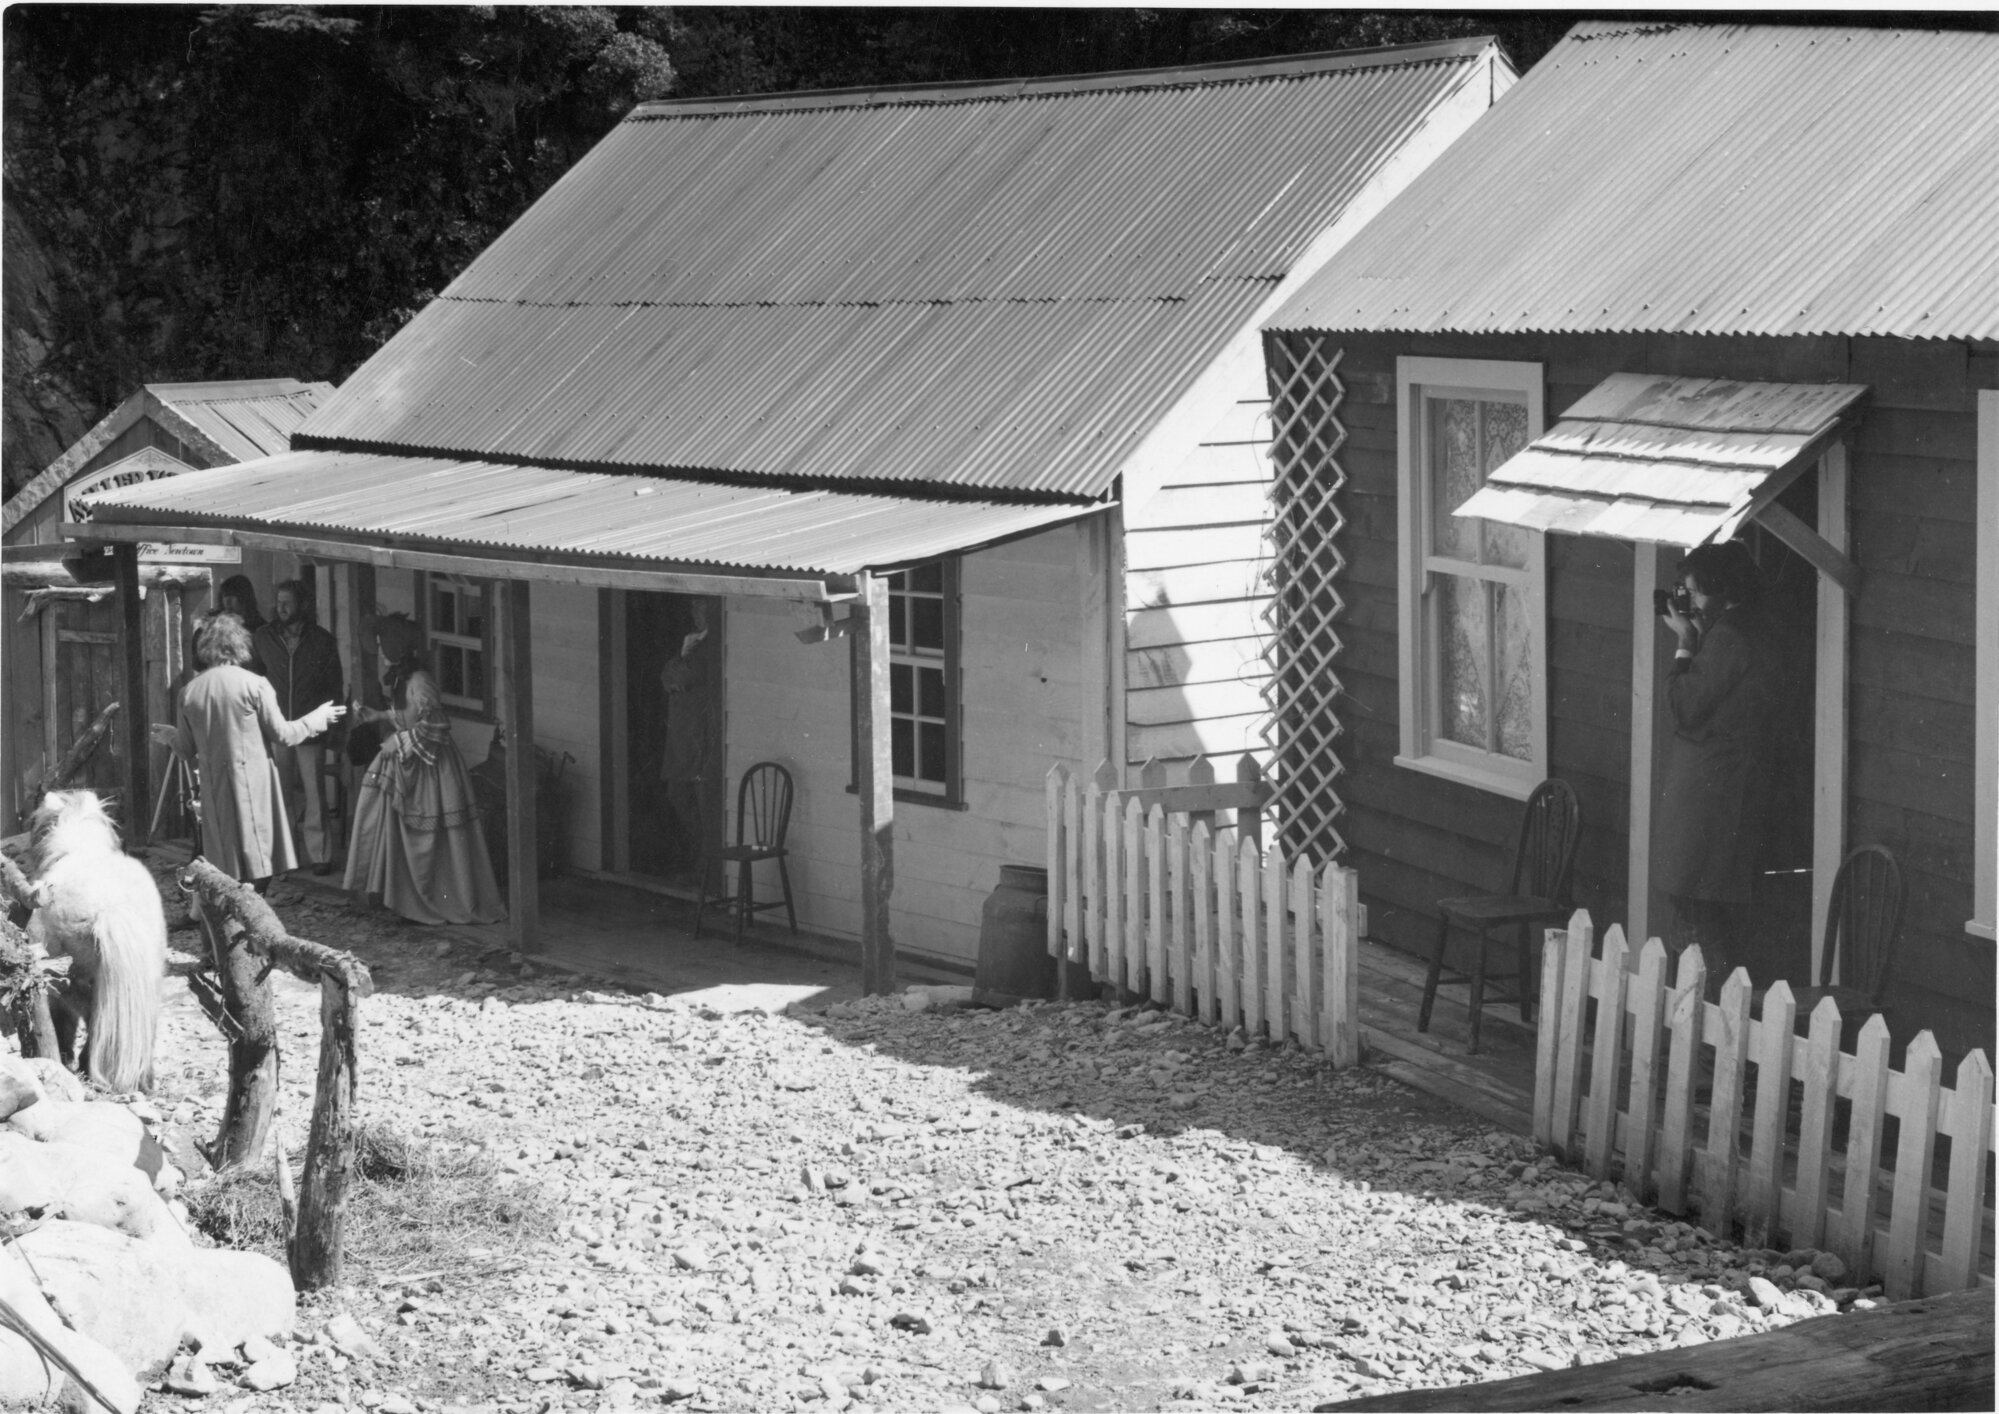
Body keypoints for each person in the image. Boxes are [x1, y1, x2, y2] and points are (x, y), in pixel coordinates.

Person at [1653, 540, 1778, 989]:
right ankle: (1715, 1046)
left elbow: (1685, 707)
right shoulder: (1745, 627)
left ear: (1722, 589)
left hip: (1712, 799)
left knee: (1694, 924)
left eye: (1696, 594)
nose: (1692, 605)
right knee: (1706, 917)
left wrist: (1686, 644)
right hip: (1722, 795)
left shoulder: (1729, 636)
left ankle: (1713, 1048)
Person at [174, 613, 346, 893]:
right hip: (253, 784)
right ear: (239, 645)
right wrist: (318, 718)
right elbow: (284, 735)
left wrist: (169, 735)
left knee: (223, 862)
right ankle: (252, 916)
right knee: (258, 862)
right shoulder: (255, 685)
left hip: (215, 787)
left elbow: (184, 748)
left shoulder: (189, 691)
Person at [343, 660, 504, 926]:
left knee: (435, 836)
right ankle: (403, 898)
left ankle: (439, 898)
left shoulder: (420, 680)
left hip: (434, 768)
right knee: (386, 818)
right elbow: (411, 714)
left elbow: (435, 725)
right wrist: (379, 716)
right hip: (409, 763)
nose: (383, 656)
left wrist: (400, 740)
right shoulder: (403, 679)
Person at [252, 580, 347, 875]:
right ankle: (286, 855)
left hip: (311, 727)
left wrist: (332, 727)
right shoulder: (263, 638)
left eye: (288, 602)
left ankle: (319, 855)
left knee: (315, 791)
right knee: (280, 793)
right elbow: (253, 679)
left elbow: (334, 685)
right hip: (277, 726)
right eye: (278, 602)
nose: (281, 608)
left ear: (302, 605)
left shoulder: (321, 640)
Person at [217, 575, 268, 675]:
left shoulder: (261, 628)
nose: (227, 601)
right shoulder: (217, 625)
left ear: (244, 597)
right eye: (224, 596)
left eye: (232, 595)